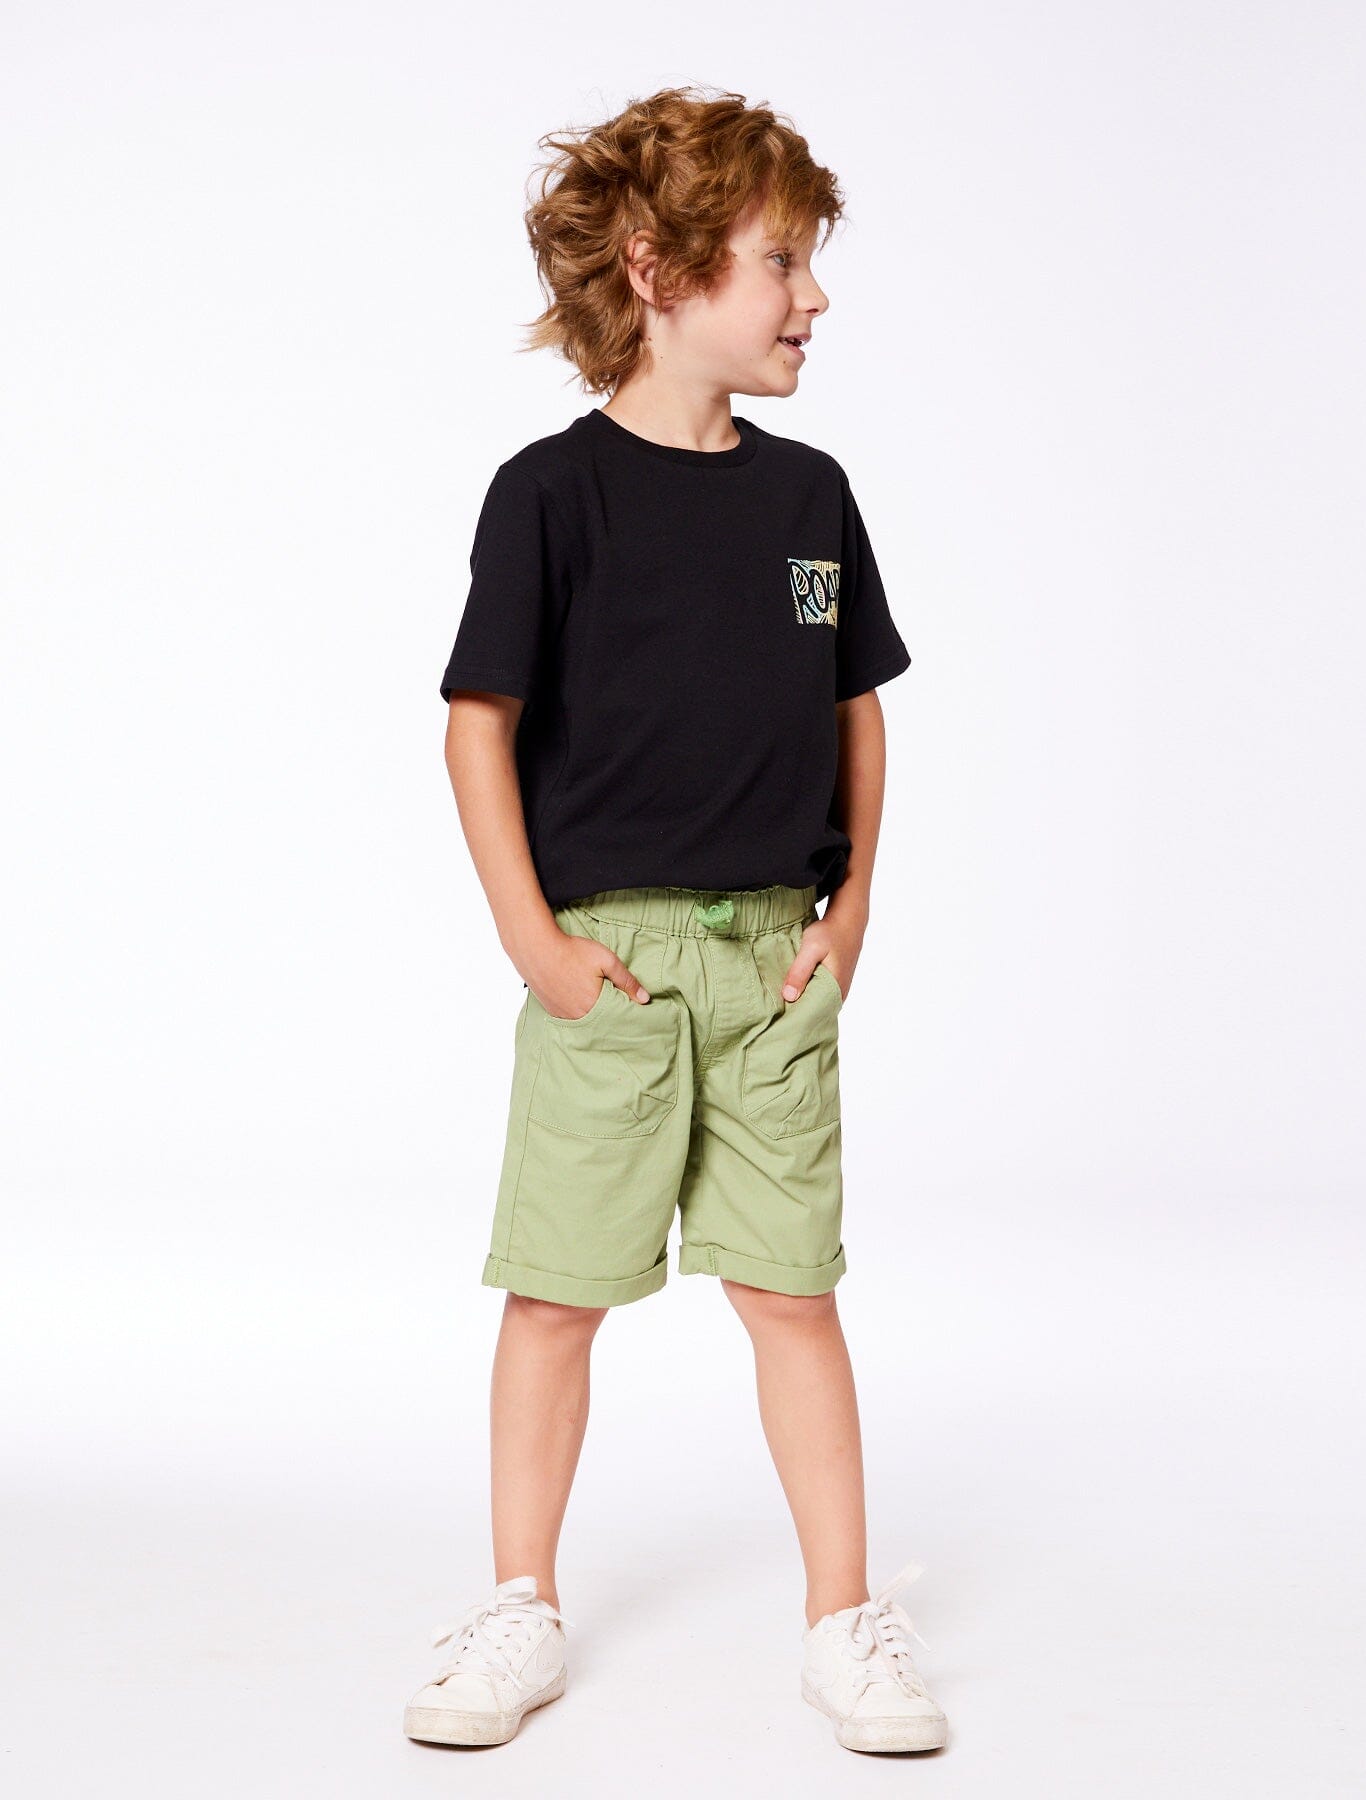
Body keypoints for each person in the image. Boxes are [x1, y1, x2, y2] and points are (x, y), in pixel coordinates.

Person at [403, 84, 947, 1758]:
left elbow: (858, 709)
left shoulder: (812, 503)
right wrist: (537, 947)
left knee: (793, 1292)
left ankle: (845, 1617)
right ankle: (520, 1601)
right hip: (612, 966)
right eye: (781, 260)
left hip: (775, 961)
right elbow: (477, 725)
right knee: (555, 1293)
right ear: (656, 269)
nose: (813, 296)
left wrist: (851, 913)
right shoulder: (548, 497)